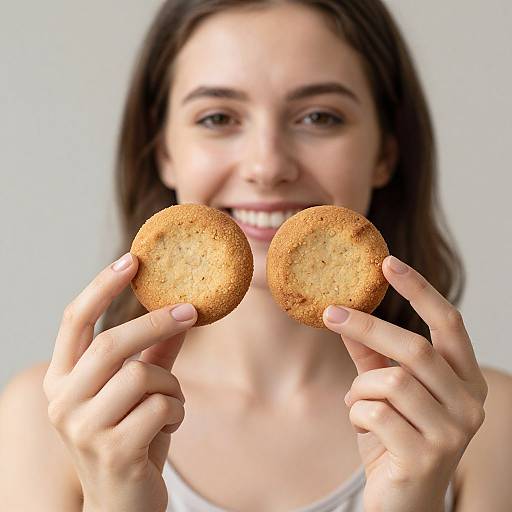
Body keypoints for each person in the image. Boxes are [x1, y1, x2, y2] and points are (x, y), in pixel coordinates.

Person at [1, 1, 511, 511]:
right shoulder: (48, 419)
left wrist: (409, 500)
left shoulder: (482, 423)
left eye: (319, 116)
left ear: (385, 152)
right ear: (164, 150)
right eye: (218, 117)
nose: (267, 165)